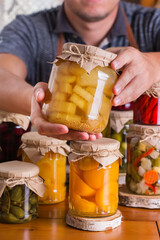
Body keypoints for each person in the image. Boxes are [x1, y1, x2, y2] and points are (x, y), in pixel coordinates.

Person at [0, 0, 159, 140]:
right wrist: (39, 100)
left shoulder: (152, 23)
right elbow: (2, 75)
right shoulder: (28, 29)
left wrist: (154, 63)